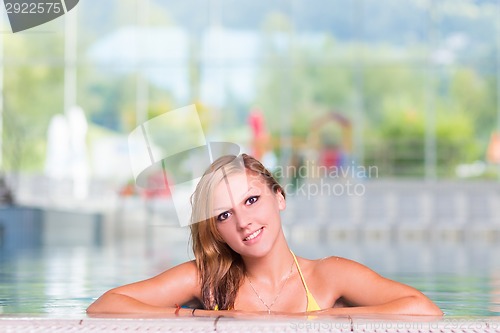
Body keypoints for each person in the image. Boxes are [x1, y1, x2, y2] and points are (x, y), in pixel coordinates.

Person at [87, 154, 442, 316]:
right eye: (225, 214)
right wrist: (201, 317)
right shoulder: (206, 279)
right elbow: (104, 305)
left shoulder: (329, 276)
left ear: (280, 197)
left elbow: (424, 309)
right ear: (218, 231)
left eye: (252, 200)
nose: (244, 221)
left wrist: (320, 319)